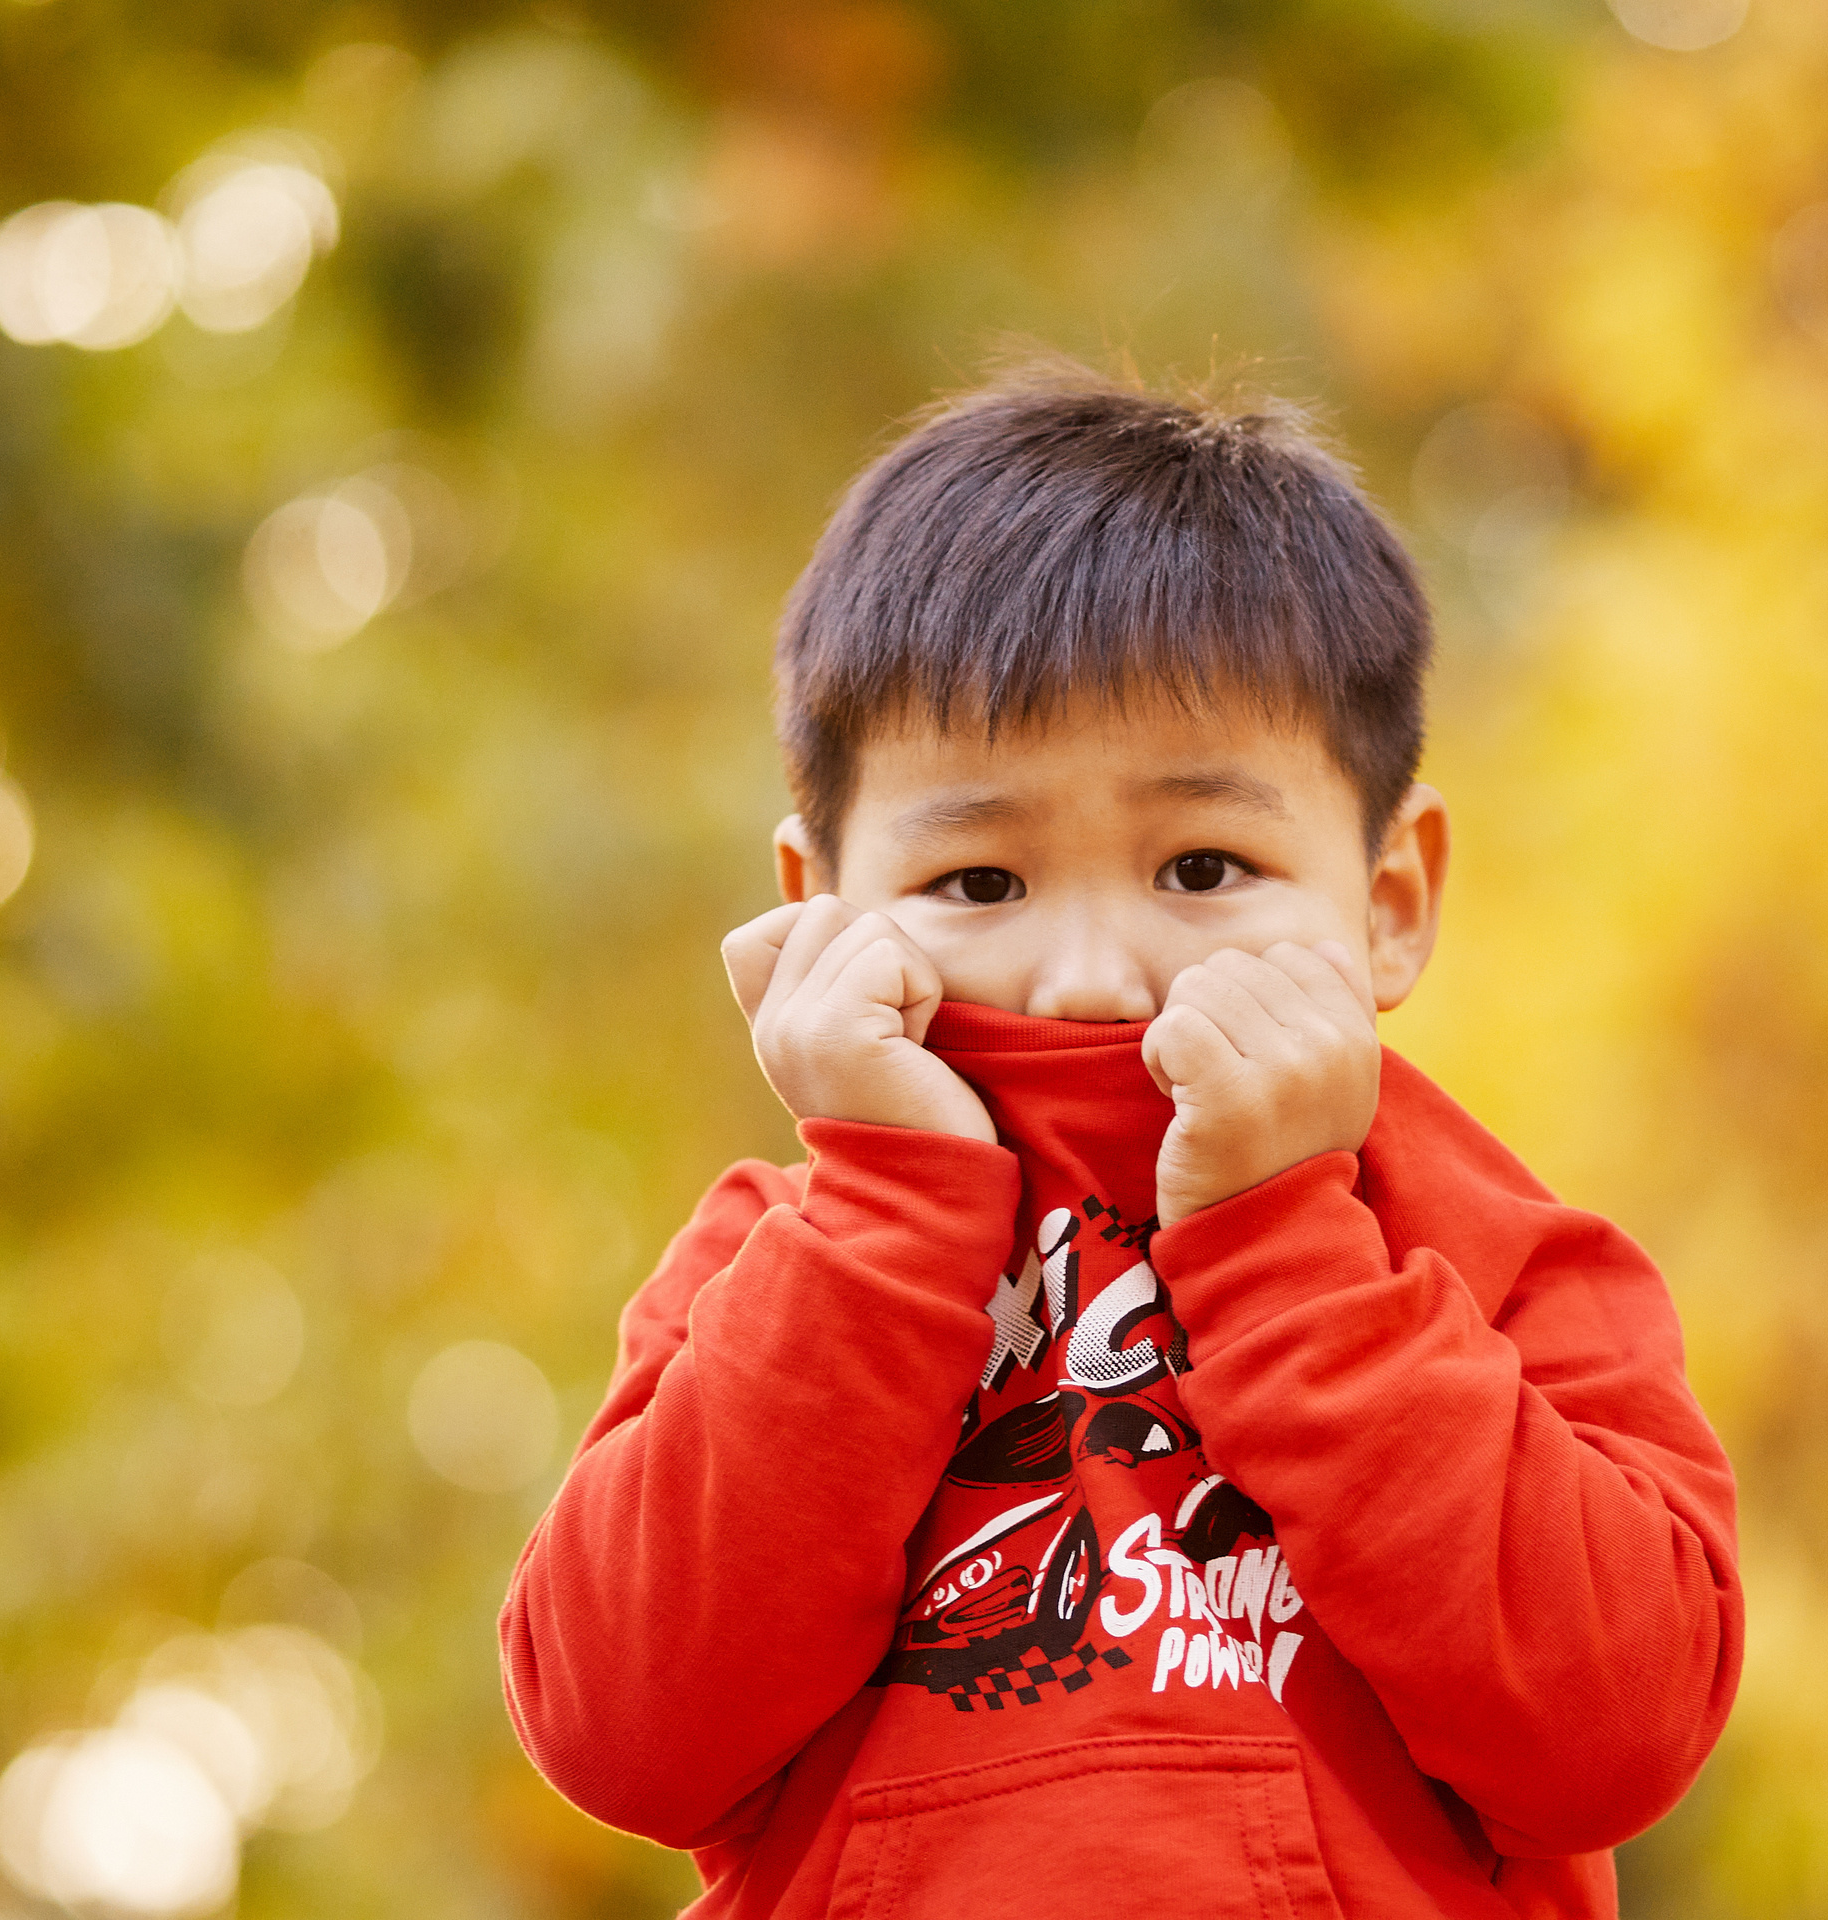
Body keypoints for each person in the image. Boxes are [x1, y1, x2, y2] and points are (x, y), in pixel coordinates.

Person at [499, 365, 1743, 1920]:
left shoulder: (1483, 1247)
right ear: (817, 900)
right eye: (978, 882)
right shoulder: (776, 1266)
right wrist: (890, 1224)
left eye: (1202, 863)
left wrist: (1289, 1246)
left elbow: (1614, 1736)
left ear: (1389, 902)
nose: (1090, 972)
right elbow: (625, 1738)